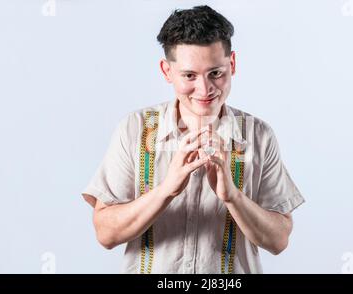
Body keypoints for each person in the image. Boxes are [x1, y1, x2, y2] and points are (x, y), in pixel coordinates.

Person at [82, 5, 305, 274]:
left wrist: (232, 196)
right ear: (167, 71)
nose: (205, 89)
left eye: (216, 73)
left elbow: (279, 240)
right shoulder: (134, 129)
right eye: (189, 75)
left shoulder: (258, 135)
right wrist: (167, 190)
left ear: (232, 64)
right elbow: (106, 233)